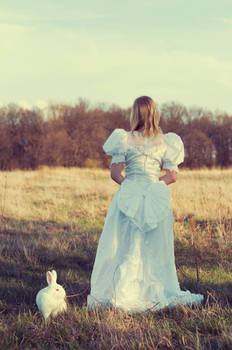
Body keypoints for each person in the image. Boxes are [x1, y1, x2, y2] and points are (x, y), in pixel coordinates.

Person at [87, 96, 203, 313]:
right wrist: (157, 184)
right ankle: (152, 290)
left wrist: (129, 187)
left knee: (125, 244)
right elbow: (173, 176)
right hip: (154, 198)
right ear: (154, 113)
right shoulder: (166, 141)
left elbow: (115, 174)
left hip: (130, 198)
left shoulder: (124, 139)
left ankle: (123, 290)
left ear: (135, 113)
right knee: (154, 246)